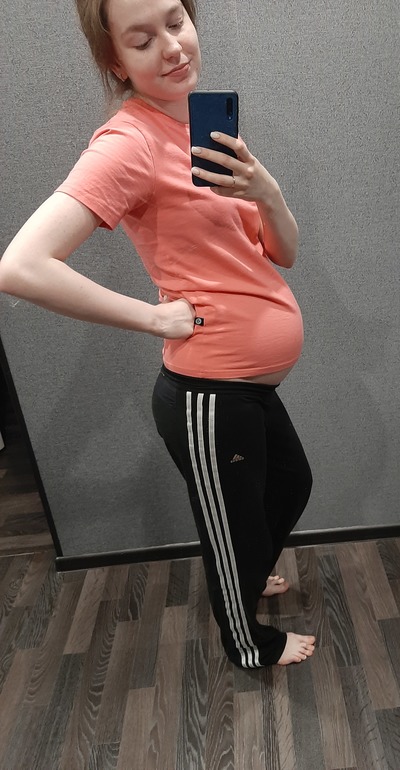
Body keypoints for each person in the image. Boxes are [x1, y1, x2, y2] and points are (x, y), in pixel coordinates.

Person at [0, 0, 315, 668]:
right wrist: (150, 317)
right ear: (116, 61)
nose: (171, 47)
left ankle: (246, 577)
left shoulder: (203, 131)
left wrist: (268, 192)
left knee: (291, 485)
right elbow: (20, 267)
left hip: (246, 387)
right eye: (142, 40)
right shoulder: (130, 143)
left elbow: (282, 254)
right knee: (230, 528)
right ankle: (248, 643)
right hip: (208, 393)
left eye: (175, 22)